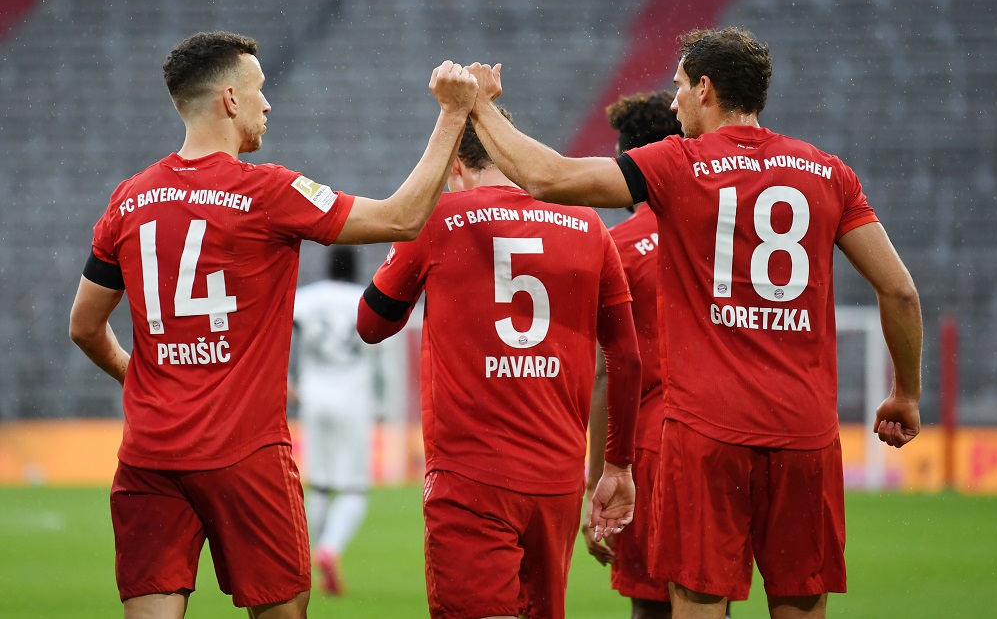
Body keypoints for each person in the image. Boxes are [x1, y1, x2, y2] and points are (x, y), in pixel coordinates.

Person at [462, 26, 923, 619]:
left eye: (679, 87)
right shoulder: (829, 173)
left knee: (697, 604)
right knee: (800, 603)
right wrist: (906, 393)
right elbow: (900, 290)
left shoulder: (680, 165)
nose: (672, 101)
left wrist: (480, 108)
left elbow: (550, 177)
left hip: (707, 433)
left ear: (706, 89)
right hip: (805, 433)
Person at [67, 30, 477, 619]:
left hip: (150, 455)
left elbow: (84, 325)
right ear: (230, 99)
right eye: (259, 90)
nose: (268, 104)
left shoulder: (128, 200)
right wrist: (452, 114)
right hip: (245, 453)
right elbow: (401, 219)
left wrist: (142, 380)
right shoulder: (269, 192)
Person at [355, 107, 642, 619]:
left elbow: (372, 325)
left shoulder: (438, 220)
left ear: (453, 166)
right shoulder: (587, 223)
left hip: (471, 475)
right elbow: (625, 357)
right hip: (556, 484)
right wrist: (617, 464)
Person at [583, 91, 690, 619]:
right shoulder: (721, 233)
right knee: (710, 595)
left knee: (652, 607)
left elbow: (608, 372)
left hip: (651, 444)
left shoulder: (617, 246)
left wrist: (595, 480)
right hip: (726, 437)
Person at [290, 246, 379, 596]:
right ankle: (329, 549)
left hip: (314, 398)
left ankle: (302, 558)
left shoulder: (307, 299)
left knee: (321, 484)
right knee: (355, 488)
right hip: (354, 400)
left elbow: (279, 329)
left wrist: (286, 381)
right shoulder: (364, 299)